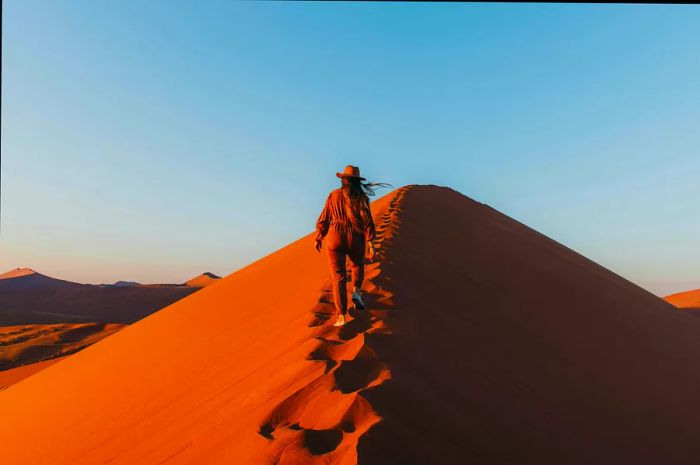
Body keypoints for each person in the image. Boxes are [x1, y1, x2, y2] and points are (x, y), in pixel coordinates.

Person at [314, 165, 389, 326]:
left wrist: (319, 236)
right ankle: (356, 292)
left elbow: (325, 217)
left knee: (338, 277)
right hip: (355, 236)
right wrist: (370, 243)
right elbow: (367, 221)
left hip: (335, 236)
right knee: (357, 265)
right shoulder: (361, 198)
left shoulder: (333, 195)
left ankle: (341, 316)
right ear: (356, 182)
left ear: (343, 179)